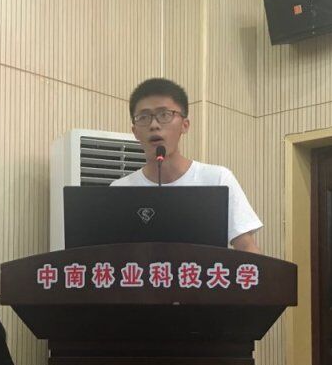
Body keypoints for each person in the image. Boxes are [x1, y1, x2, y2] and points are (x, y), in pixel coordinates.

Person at [111, 77, 263, 253]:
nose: (154, 125)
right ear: (135, 132)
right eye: (143, 117)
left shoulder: (217, 179)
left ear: (185, 125)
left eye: (164, 115)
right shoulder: (119, 189)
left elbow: (246, 247)